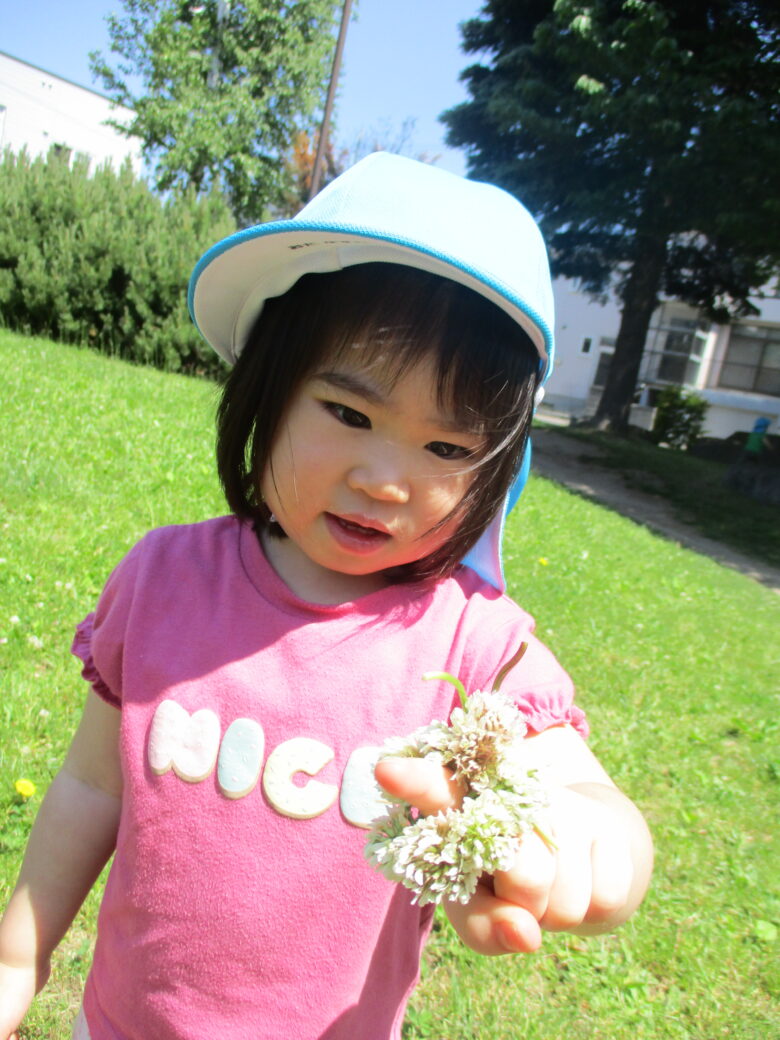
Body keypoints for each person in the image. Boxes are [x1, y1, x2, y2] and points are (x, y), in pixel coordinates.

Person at [0, 153, 653, 1040]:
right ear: (268, 389)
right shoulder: (162, 582)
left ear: (495, 473)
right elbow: (88, 785)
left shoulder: (475, 650)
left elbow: (578, 792)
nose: (385, 480)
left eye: (449, 449)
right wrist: (18, 957)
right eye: (349, 414)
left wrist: (591, 844)